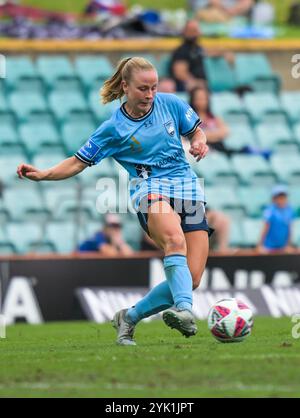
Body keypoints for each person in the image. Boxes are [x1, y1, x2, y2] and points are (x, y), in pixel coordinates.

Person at [17, 57, 211, 346]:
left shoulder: (170, 103)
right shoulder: (114, 129)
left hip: (188, 189)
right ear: (125, 87)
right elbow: (77, 162)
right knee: (174, 241)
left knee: (192, 279)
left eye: (154, 87)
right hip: (150, 190)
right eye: (143, 88)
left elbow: (196, 129)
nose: (149, 95)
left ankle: (130, 317)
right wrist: (43, 174)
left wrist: (199, 141)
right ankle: (184, 309)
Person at [189, 86, 230, 154]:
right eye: (198, 98)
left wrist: (204, 135)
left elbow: (225, 131)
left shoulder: (214, 117)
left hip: (218, 147)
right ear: (193, 100)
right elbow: (191, 136)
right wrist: (215, 135)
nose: (201, 101)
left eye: (204, 98)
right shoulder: (189, 118)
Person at [169, 20, 207, 92]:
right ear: (184, 32)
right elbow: (180, 73)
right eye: (190, 30)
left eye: (195, 30)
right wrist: (196, 83)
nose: (193, 33)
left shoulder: (198, 48)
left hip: (202, 87)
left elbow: (208, 52)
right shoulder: (182, 50)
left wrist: (224, 53)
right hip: (189, 88)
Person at [256, 185, 296, 254]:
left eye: (284, 197)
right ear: (274, 199)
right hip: (269, 248)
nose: (282, 199)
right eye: (279, 197)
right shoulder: (270, 211)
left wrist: (288, 245)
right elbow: (265, 228)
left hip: (282, 248)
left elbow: (290, 229)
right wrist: (260, 245)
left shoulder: (289, 210)